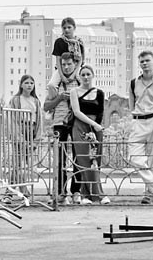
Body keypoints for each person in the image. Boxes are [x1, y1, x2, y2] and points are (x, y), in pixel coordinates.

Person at [124, 51, 153, 206]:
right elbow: (132, 105)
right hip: (138, 120)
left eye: (147, 60)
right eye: (142, 61)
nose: (144, 63)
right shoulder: (133, 83)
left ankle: (149, 193)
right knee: (134, 157)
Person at [42, 53, 80, 204]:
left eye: (69, 64)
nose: (66, 67)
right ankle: (60, 192)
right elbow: (46, 106)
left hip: (76, 122)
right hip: (59, 123)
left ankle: (76, 191)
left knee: (78, 157)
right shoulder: (55, 84)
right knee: (60, 159)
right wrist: (60, 98)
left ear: (74, 64)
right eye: (63, 64)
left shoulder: (78, 81)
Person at [70, 63, 107, 205]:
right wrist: (93, 125)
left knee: (95, 161)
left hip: (95, 129)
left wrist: (95, 128)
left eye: (88, 74)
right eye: (83, 74)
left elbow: (101, 112)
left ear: (93, 76)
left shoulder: (99, 93)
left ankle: (98, 194)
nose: (86, 77)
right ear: (79, 77)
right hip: (80, 127)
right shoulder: (75, 92)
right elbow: (77, 112)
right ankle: (85, 194)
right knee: (83, 160)